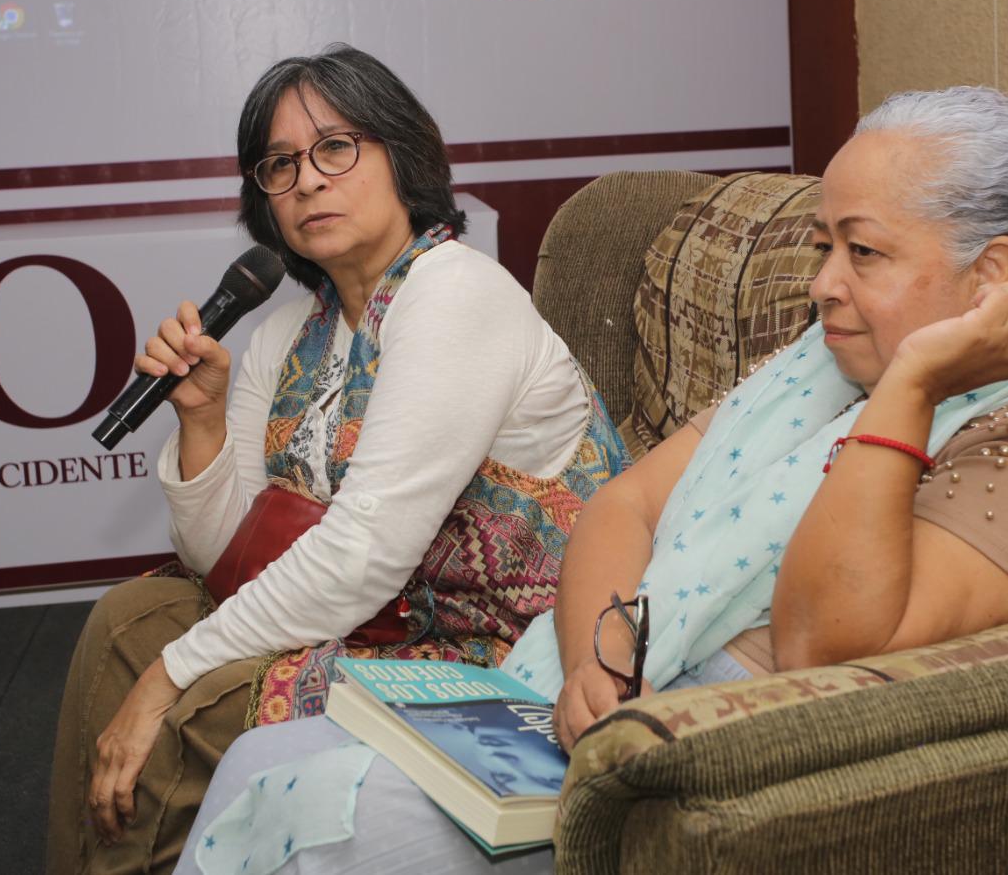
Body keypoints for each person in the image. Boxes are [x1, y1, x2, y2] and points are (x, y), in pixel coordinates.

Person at [175, 85, 1008, 875]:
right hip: (602, 705)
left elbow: (824, 642)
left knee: (315, 832)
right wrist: (602, 664)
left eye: (864, 251)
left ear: (990, 277)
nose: (823, 284)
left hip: (707, 770)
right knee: (264, 758)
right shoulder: (817, 367)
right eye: (823, 247)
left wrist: (909, 387)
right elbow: (627, 503)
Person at [46, 44, 628, 875]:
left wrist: (166, 681)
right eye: (280, 164)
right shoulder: (290, 332)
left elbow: (361, 554)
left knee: (193, 703)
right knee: (124, 625)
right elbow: (225, 566)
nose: (308, 180)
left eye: (336, 147)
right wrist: (204, 422)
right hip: (375, 625)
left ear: (404, 155)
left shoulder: (453, 292)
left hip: (496, 649)